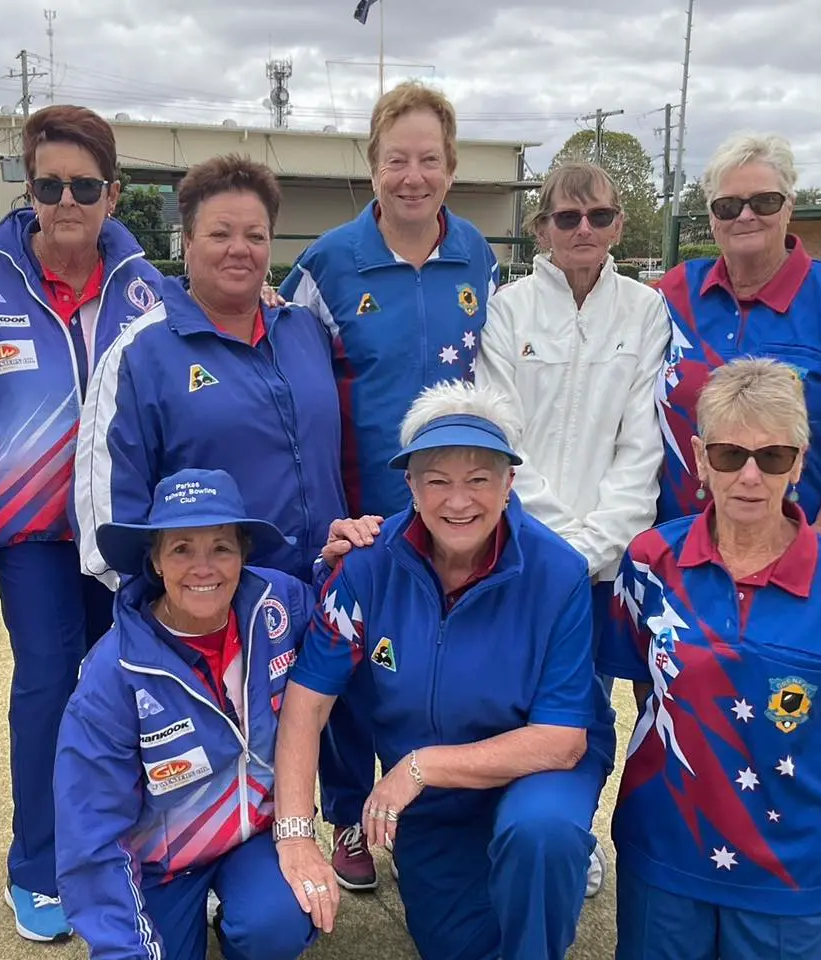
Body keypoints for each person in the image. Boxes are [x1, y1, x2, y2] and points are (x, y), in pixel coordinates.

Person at [653, 133, 821, 958]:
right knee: (678, 707)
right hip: (690, 560)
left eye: (763, 200)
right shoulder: (674, 295)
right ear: (711, 216)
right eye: (728, 205)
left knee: (796, 730)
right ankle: (689, 860)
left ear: (790, 206)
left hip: (794, 554)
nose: (746, 217)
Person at [271, 381, 615, 960]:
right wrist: (296, 835)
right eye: (438, 480)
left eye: (479, 478)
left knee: (539, 835)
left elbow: (560, 741)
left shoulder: (558, 573)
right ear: (410, 484)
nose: (459, 501)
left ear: (509, 483)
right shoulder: (366, 566)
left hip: (533, 774)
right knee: (455, 943)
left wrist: (419, 767)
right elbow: (307, 703)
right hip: (433, 802)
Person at [599, 358, 821, 960]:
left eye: (772, 457)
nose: (749, 476)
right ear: (697, 457)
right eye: (728, 454)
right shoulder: (649, 559)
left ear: (799, 463)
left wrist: (774, 793)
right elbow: (644, 688)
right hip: (665, 850)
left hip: (790, 868)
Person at [277, 81, 499, 890]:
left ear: (451, 167)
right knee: (347, 667)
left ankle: (431, 809)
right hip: (357, 511)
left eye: (429, 159)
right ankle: (346, 817)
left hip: (458, 512)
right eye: (397, 159)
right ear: (372, 166)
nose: (414, 175)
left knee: (438, 665)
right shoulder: (328, 262)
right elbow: (281, 367)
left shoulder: (479, 254)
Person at [0, 104, 164, 942]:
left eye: (84, 185)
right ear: (30, 188)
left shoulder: (148, 283)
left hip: (119, 529)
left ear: (111, 194)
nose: (67, 199)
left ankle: (136, 849)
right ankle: (37, 864)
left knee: (133, 684)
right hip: (33, 532)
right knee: (48, 683)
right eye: (50, 184)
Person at [476, 161, 669, 895]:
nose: (583, 230)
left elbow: (641, 446)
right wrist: (556, 546)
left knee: (583, 704)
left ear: (621, 224)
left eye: (599, 217)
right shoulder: (509, 308)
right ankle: (491, 821)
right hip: (517, 549)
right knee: (501, 691)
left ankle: (571, 831)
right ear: (542, 230)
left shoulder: (646, 312)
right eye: (567, 218)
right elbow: (502, 437)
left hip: (599, 568)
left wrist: (591, 550)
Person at [54, 468, 328, 960]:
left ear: (244, 553)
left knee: (280, 919)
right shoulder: (112, 673)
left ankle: (243, 924)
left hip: (255, 839)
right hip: (161, 865)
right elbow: (89, 833)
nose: (204, 567)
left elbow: (341, 612)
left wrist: (351, 558)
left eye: (221, 547)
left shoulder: (280, 605)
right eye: (181, 548)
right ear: (156, 561)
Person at [74, 155, 345, 590]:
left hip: (324, 598)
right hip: (213, 618)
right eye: (220, 233)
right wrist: (170, 612)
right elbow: (107, 517)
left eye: (255, 236)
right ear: (187, 241)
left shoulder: (305, 330)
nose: (239, 248)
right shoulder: (139, 353)